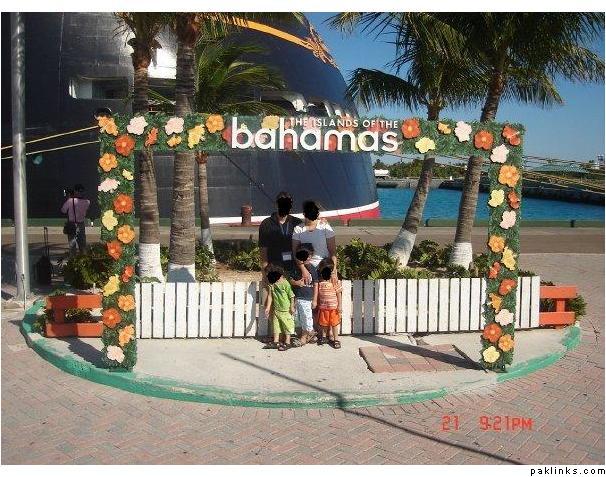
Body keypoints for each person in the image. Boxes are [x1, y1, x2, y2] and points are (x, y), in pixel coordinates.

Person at [292, 200, 337, 285]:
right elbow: (295, 252)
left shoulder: (325, 226)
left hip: (324, 266)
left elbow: (332, 251)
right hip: (307, 268)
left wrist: (334, 271)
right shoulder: (298, 229)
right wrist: (303, 269)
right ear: (304, 213)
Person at [258, 191, 303, 273]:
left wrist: (320, 222)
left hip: (294, 268)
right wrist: (264, 274)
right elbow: (263, 251)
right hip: (274, 268)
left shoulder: (297, 222)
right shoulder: (266, 224)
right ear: (276, 205)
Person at [289, 243, 318, 345]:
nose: (308, 258)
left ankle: (304, 337)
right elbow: (290, 280)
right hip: (298, 297)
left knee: (306, 317)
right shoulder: (295, 268)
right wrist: (297, 283)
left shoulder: (312, 268)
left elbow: (316, 284)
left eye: (309, 255)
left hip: (307, 298)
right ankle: (309, 334)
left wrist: (315, 299)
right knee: (299, 318)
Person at [264, 264, 295, 351]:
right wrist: (268, 307)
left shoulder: (285, 283)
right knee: (276, 325)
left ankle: (288, 342)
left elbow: (291, 295)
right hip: (276, 309)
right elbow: (270, 296)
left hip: (286, 310)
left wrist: (292, 306)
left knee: (287, 325)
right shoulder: (272, 284)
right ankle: (276, 341)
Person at [313, 258, 342, 349]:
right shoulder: (320, 283)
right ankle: (324, 337)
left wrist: (340, 306)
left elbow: (339, 294)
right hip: (323, 308)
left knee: (334, 324)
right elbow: (317, 294)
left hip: (333, 308)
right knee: (324, 323)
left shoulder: (334, 281)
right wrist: (315, 302)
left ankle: (336, 339)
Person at [61, 184, 90, 256]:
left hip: (72, 225)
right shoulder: (87, 202)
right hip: (81, 225)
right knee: (82, 246)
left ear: (75, 191)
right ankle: (83, 261)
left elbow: (63, 210)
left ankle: (73, 261)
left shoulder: (70, 201)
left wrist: (69, 198)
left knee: (72, 247)